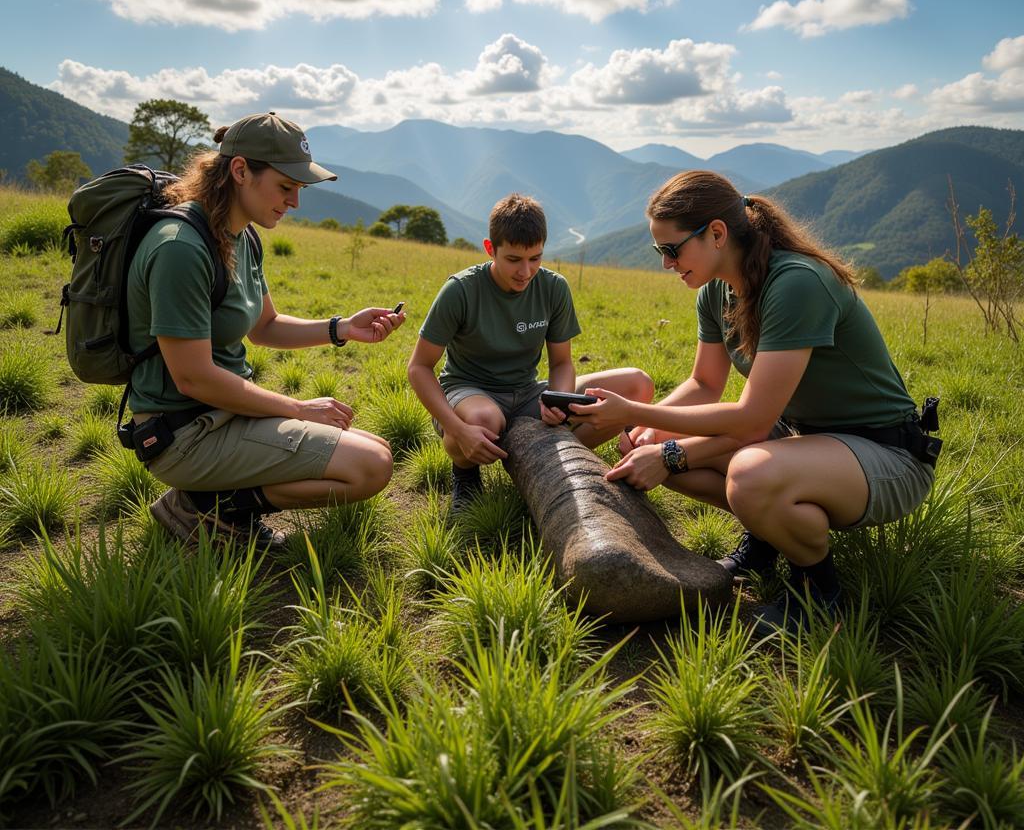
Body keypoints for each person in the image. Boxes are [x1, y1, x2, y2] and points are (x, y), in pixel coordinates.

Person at [568, 170, 938, 634]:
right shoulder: (716, 293)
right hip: (808, 441)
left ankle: (819, 595)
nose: (666, 263)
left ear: (717, 234)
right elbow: (704, 383)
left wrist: (649, 428)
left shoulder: (797, 283)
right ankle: (766, 541)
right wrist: (651, 433)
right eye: (658, 251)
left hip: (886, 455)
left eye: (671, 249)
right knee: (650, 441)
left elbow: (753, 421)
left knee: (746, 474)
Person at [131, 112, 406, 548]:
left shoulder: (241, 236)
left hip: (223, 414)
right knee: (371, 465)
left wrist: (342, 328)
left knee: (378, 448)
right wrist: (297, 408)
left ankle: (211, 502)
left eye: (299, 188)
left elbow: (265, 326)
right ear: (240, 171)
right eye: (286, 186)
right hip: (184, 434)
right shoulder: (180, 247)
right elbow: (192, 376)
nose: (295, 201)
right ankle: (207, 510)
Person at [407, 192, 653, 511]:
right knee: (485, 418)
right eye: (513, 260)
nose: (525, 271)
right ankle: (465, 475)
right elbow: (419, 368)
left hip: (528, 393)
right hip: (470, 393)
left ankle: (538, 460)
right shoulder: (461, 290)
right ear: (490, 249)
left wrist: (561, 402)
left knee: (638, 384)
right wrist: (457, 429)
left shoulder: (554, 288)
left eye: (535, 258)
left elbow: (562, 362)